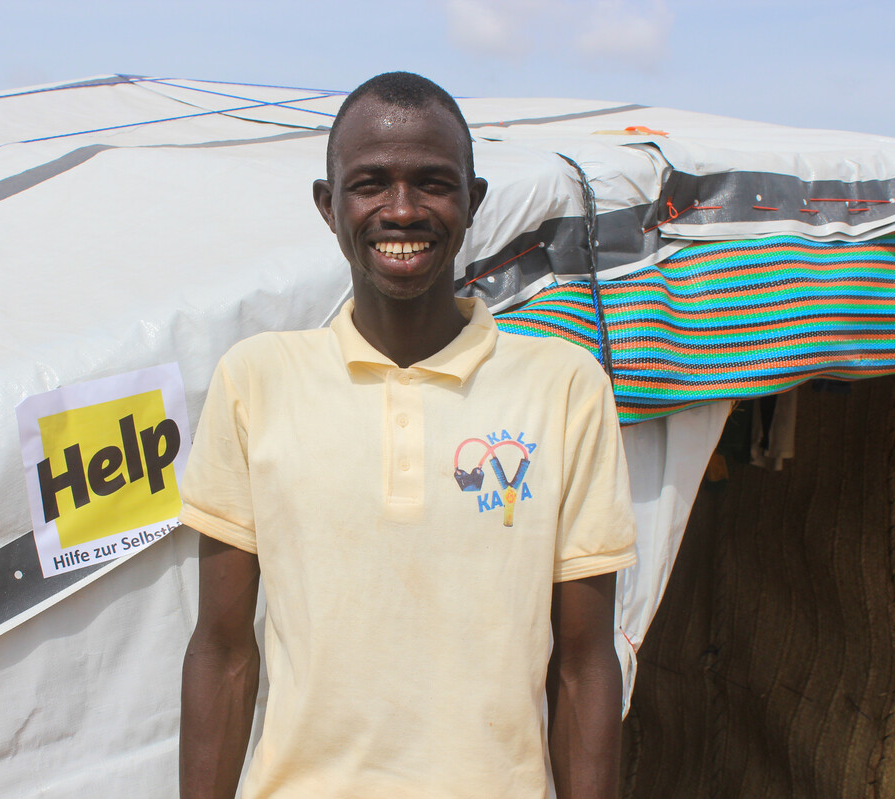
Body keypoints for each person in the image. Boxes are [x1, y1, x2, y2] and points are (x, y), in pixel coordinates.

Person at [178, 71, 637, 799]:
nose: (401, 210)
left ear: (471, 202)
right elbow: (223, 650)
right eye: (369, 184)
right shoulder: (256, 382)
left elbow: (583, 662)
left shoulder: (563, 387)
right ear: (329, 207)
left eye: (431, 183)